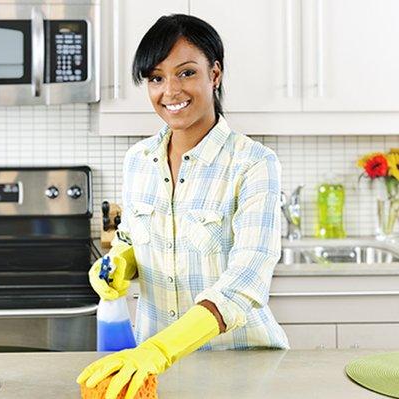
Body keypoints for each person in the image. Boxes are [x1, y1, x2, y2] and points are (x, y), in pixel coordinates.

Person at [77, 13, 289, 399]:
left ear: (215, 74)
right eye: (156, 78)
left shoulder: (253, 163)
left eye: (186, 72)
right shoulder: (138, 160)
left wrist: (161, 349)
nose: (170, 90)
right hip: (151, 371)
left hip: (241, 366)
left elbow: (245, 281)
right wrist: (121, 264)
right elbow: (130, 238)